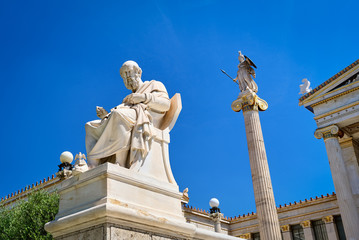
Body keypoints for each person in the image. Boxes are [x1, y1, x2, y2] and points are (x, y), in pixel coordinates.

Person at [85, 60, 170, 169]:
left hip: (147, 119)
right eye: (124, 75)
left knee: (118, 115)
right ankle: (93, 164)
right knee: (90, 125)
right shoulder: (127, 99)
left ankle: (120, 163)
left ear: (139, 72)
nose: (127, 76)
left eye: (129, 72)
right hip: (130, 116)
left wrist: (143, 97)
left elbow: (165, 105)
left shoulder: (154, 85)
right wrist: (105, 116)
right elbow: (118, 116)